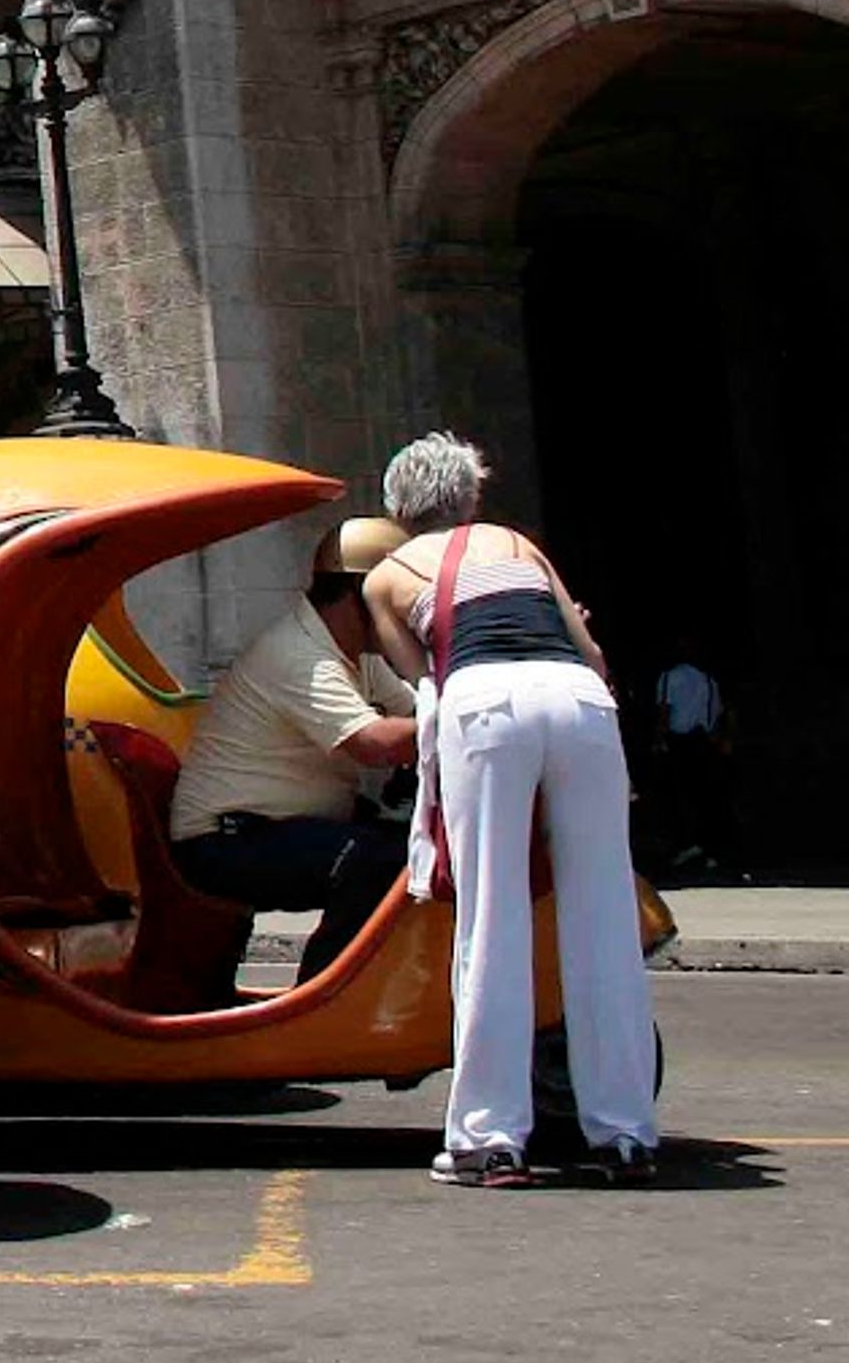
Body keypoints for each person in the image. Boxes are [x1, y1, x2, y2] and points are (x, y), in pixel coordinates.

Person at [362, 431, 659, 1188]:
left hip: (485, 701)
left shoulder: (386, 575)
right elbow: (586, 648)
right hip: (577, 698)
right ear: (468, 496)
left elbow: (422, 675)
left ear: (400, 508)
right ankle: (625, 1133)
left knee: (490, 915)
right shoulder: (514, 543)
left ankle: (489, 1139)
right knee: (602, 915)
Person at [166, 517, 417, 980]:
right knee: (376, 861)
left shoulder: (356, 653)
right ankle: (325, 1000)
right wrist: (465, 723)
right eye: (395, 600)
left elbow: (413, 713)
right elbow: (372, 743)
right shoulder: (300, 654)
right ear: (361, 595)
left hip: (277, 825)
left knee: (409, 846)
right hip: (223, 840)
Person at [650, 636, 733, 875]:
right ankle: (709, 847)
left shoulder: (668, 677)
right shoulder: (709, 681)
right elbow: (716, 715)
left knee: (678, 795)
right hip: (703, 742)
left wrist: (658, 741)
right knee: (706, 796)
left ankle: (685, 845)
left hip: (678, 743)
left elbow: (665, 710)